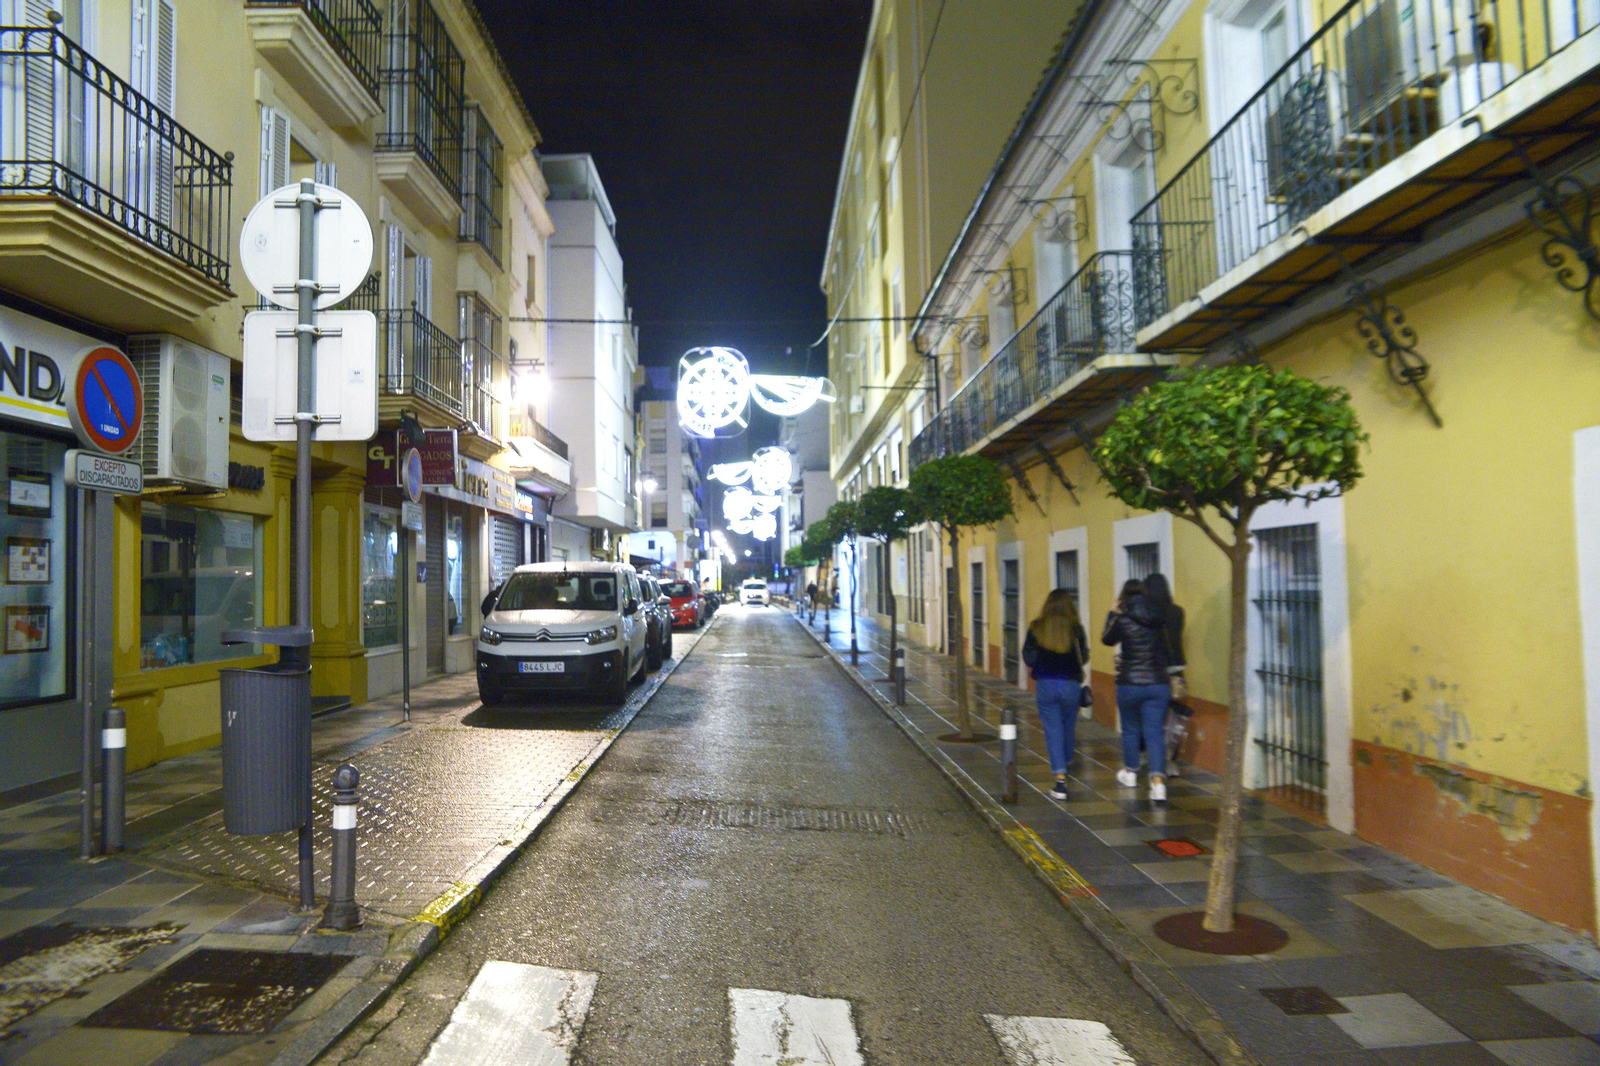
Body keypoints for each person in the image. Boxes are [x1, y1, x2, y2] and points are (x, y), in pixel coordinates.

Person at [1102, 577, 1173, 803]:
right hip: (1158, 682)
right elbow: (1166, 649)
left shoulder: (1122, 619)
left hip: (1130, 683)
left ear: (1124, 597)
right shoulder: (1158, 617)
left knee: (1131, 729)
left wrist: (1113, 613)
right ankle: (1158, 784)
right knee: (1155, 733)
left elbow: (1107, 639)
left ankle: (1131, 773)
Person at [1022, 588, 1089, 800]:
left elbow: (1029, 658)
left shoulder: (1037, 627)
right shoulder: (1076, 628)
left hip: (1046, 685)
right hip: (1070, 685)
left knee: (1053, 730)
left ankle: (1060, 780)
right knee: (1068, 726)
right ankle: (1066, 763)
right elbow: (1084, 656)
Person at [1142, 572, 1189, 774]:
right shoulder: (1178, 612)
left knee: (1153, 716)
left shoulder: (1148, 613)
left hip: (1155, 669)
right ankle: (1171, 762)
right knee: (1175, 717)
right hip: (1176, 669)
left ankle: (1152, 757)